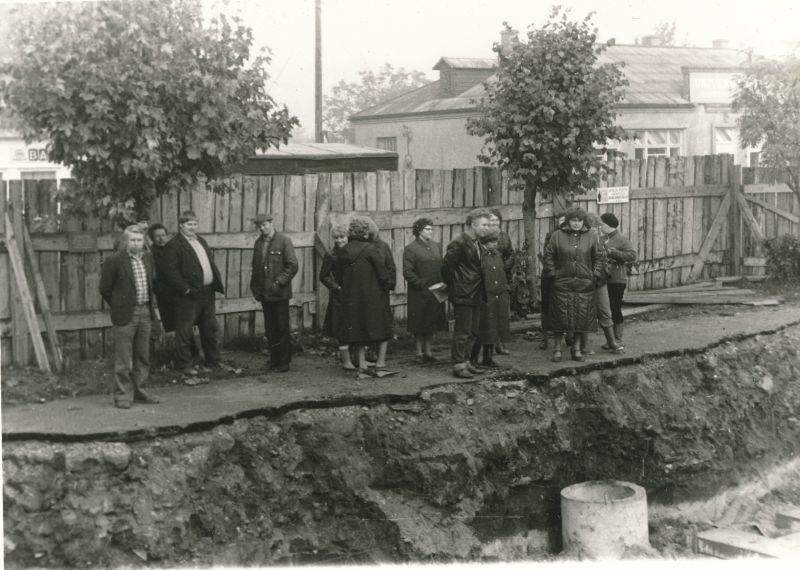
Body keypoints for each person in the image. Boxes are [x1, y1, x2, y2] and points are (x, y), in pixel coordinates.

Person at [99, 225, 160, 408]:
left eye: (139, 240)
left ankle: (141, 391)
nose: (136, 243)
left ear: (144, 241)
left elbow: (151, 284)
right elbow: (105, 289)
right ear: (126, 241)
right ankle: (123, 396)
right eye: (133, 240)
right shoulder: (115, 261)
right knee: (123, 359)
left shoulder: (148, 258)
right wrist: (119, 305)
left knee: (143, 355)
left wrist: (150, 311)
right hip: (125, 314)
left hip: (145, 312)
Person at [160, 210, 225, 376]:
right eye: (189, 224)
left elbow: (207, 264)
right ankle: (184, 364)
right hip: (188, 296)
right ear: (181, 225)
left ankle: (214, 361)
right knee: (185, 330)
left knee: (210, 328)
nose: (192, 227)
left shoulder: (201, 241)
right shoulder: (173, 245)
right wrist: (185, 288)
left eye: (195, 224)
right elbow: (169, 271)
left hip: (207, 293)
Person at [542, 206, 604, 363]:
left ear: (584, 221)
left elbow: (598, 257)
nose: (576, 224)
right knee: (559, 317)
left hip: (584, 284)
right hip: (562, 283)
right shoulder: (557, 236)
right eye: (573, 220)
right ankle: (557, 350)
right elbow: (548, 256)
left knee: (580, 317)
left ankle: (576, 349)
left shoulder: (591, 237)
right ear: (568, 221)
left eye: (580, 220)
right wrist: (553, 274)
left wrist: (594, 275)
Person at [442, 207, 493, 379]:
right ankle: (458, 365)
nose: (487, 228)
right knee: (462, 331)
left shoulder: (477, 243)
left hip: (476, 293)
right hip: (463, 293)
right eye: (484, 225)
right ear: (473, 224)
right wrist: (457, 285)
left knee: (473, 330)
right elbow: (446, 269)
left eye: (488, 225)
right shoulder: (459, 243)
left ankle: (467, 362)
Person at [338, 217, 393, 374]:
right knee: (379, 327)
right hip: (371, 296)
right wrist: (386, 286)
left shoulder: (344, 250)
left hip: (351, 297)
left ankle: (361, 363)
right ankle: (380, 363)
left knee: (357, 328)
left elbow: (340, 276)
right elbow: (382, 274)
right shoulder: (370, 249)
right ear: (365, 232)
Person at [250, 212, 299, 373]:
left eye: (264, 225)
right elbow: (256, 267)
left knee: (281, 327)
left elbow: (292, 266)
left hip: (279, 293)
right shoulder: (258, 243)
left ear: (271, 223)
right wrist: (255, 288)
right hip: (265, 293)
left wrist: (279, 282)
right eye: (259, 226)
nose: (262, 228)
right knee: (270, 328)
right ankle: (274, 359)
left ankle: (284, 362)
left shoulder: (284, 241)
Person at [403, 217, 447, 364]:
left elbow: (442, 266)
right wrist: (421, 284)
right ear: (419, 231)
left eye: (431, 229)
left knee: (431, 321)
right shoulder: (411, 248)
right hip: (419, 291)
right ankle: (419, 352)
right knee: (419, 322)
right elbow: (407, 272)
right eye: (428, 229)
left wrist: (442, 283)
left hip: (436, 289)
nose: (431, 232)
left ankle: (429, 351)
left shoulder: (437, 246)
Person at [470, 211, 511, 368]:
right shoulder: (480, 256)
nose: (495, 244)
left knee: (494, 329)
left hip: (498, 296)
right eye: (493, 242)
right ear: (485, 243)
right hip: (485, 297)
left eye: (496, 242)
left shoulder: (497, 255)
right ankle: (473, 359)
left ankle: (488, 358)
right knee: (483, 330)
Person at [585, 213, 623, 354]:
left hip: (600, 282)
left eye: (597, 227)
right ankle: (584, 345)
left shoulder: (601, 241)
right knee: (586, 314)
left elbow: (602, 260)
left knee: (606, 311)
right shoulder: (582, 241)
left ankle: (612, 341)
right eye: (592, 228)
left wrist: (601, 273)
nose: (595, 230)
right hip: (585, 282)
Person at [319, 224, 354, 370]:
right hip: (340, 297)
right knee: (342, 328)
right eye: (336, 238)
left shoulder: (354, 252)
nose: (339, 240)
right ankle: (346, 361)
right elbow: (324, 276)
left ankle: (356, 358)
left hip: (355, 295)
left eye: (342, 237)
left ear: (348, 237)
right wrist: (337, 288)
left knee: (355, 327)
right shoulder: (331, 255)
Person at [599, 212, 637, 346]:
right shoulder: (602, 239)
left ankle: (617, 339)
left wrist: (613, 253)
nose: (600, 226)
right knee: (606, 310)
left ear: (608, 225)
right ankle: (611, 340)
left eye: (601, 223)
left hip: (617, 279)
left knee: (615, 308)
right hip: (603, 279)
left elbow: (632, 255)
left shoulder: (622, 239)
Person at [366, 216, 396, 370]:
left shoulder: (383, 247)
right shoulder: (360, 247)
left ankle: (380, 357)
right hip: (365, 291)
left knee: (382, 322)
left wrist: (388, 285)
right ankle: (368, 353)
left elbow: (390, 267)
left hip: (380, 290)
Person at [490, 208, 514, 355]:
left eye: (496, 220)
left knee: (502, 313)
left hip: (502, 276)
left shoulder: (504, 236)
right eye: (491, 220)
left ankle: (501, 343)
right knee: (490, 312)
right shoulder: (483, 236)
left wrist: (505, 266)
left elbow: (510, 253)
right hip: (488, 277)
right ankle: (490, 344)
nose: (494, 223)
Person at [539, 212, 565, 350]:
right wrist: (554, 273)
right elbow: (548, 256)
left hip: (566, 276)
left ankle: (568, 336)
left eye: (565, 220)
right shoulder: (552, 235)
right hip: (551, 276)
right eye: (560, 220)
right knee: (547, 307)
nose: (563, 222)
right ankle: (545, 337)